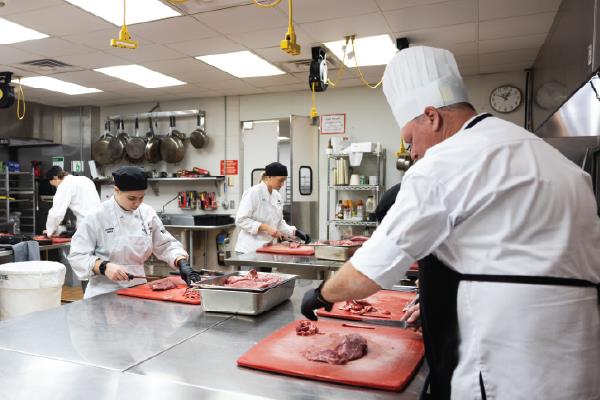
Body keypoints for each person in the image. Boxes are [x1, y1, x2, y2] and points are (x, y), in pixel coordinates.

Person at [301, 46, 600, 400]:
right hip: (579, 360)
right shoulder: (541, 152)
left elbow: (370, 270)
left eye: (410, 139)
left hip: (508, 365)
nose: (411, 153)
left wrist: (321, 293)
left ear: (432, 117)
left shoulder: (446, 161)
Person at [69, 166, 198, 299]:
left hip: (139, 289)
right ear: (116, 191)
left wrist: (181, 261)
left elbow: (165, 245)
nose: (137, 203)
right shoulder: (96, 216)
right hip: (103, 292)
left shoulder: (147, 213)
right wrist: (103, 266)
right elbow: (77, 256)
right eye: (131, 198)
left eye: (141, 198)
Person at [235, 162, 310, 255]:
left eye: (284, 180)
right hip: (249, 249)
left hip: (268, 249)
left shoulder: (276, 196)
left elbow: (279, 223)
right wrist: (265, 228)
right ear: (269, 177)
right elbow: (240, 220)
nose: (282, 184)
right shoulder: (253, 193)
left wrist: (295, 232)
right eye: (280, 180)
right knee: (252, 271)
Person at [45, 166, 101, 237]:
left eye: (54, 185)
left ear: (55, 178)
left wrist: (49, 231)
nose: (56, 187)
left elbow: (56, 213)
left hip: (86, 227)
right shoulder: (85, 179)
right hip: (100, 224)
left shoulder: (64, 185)